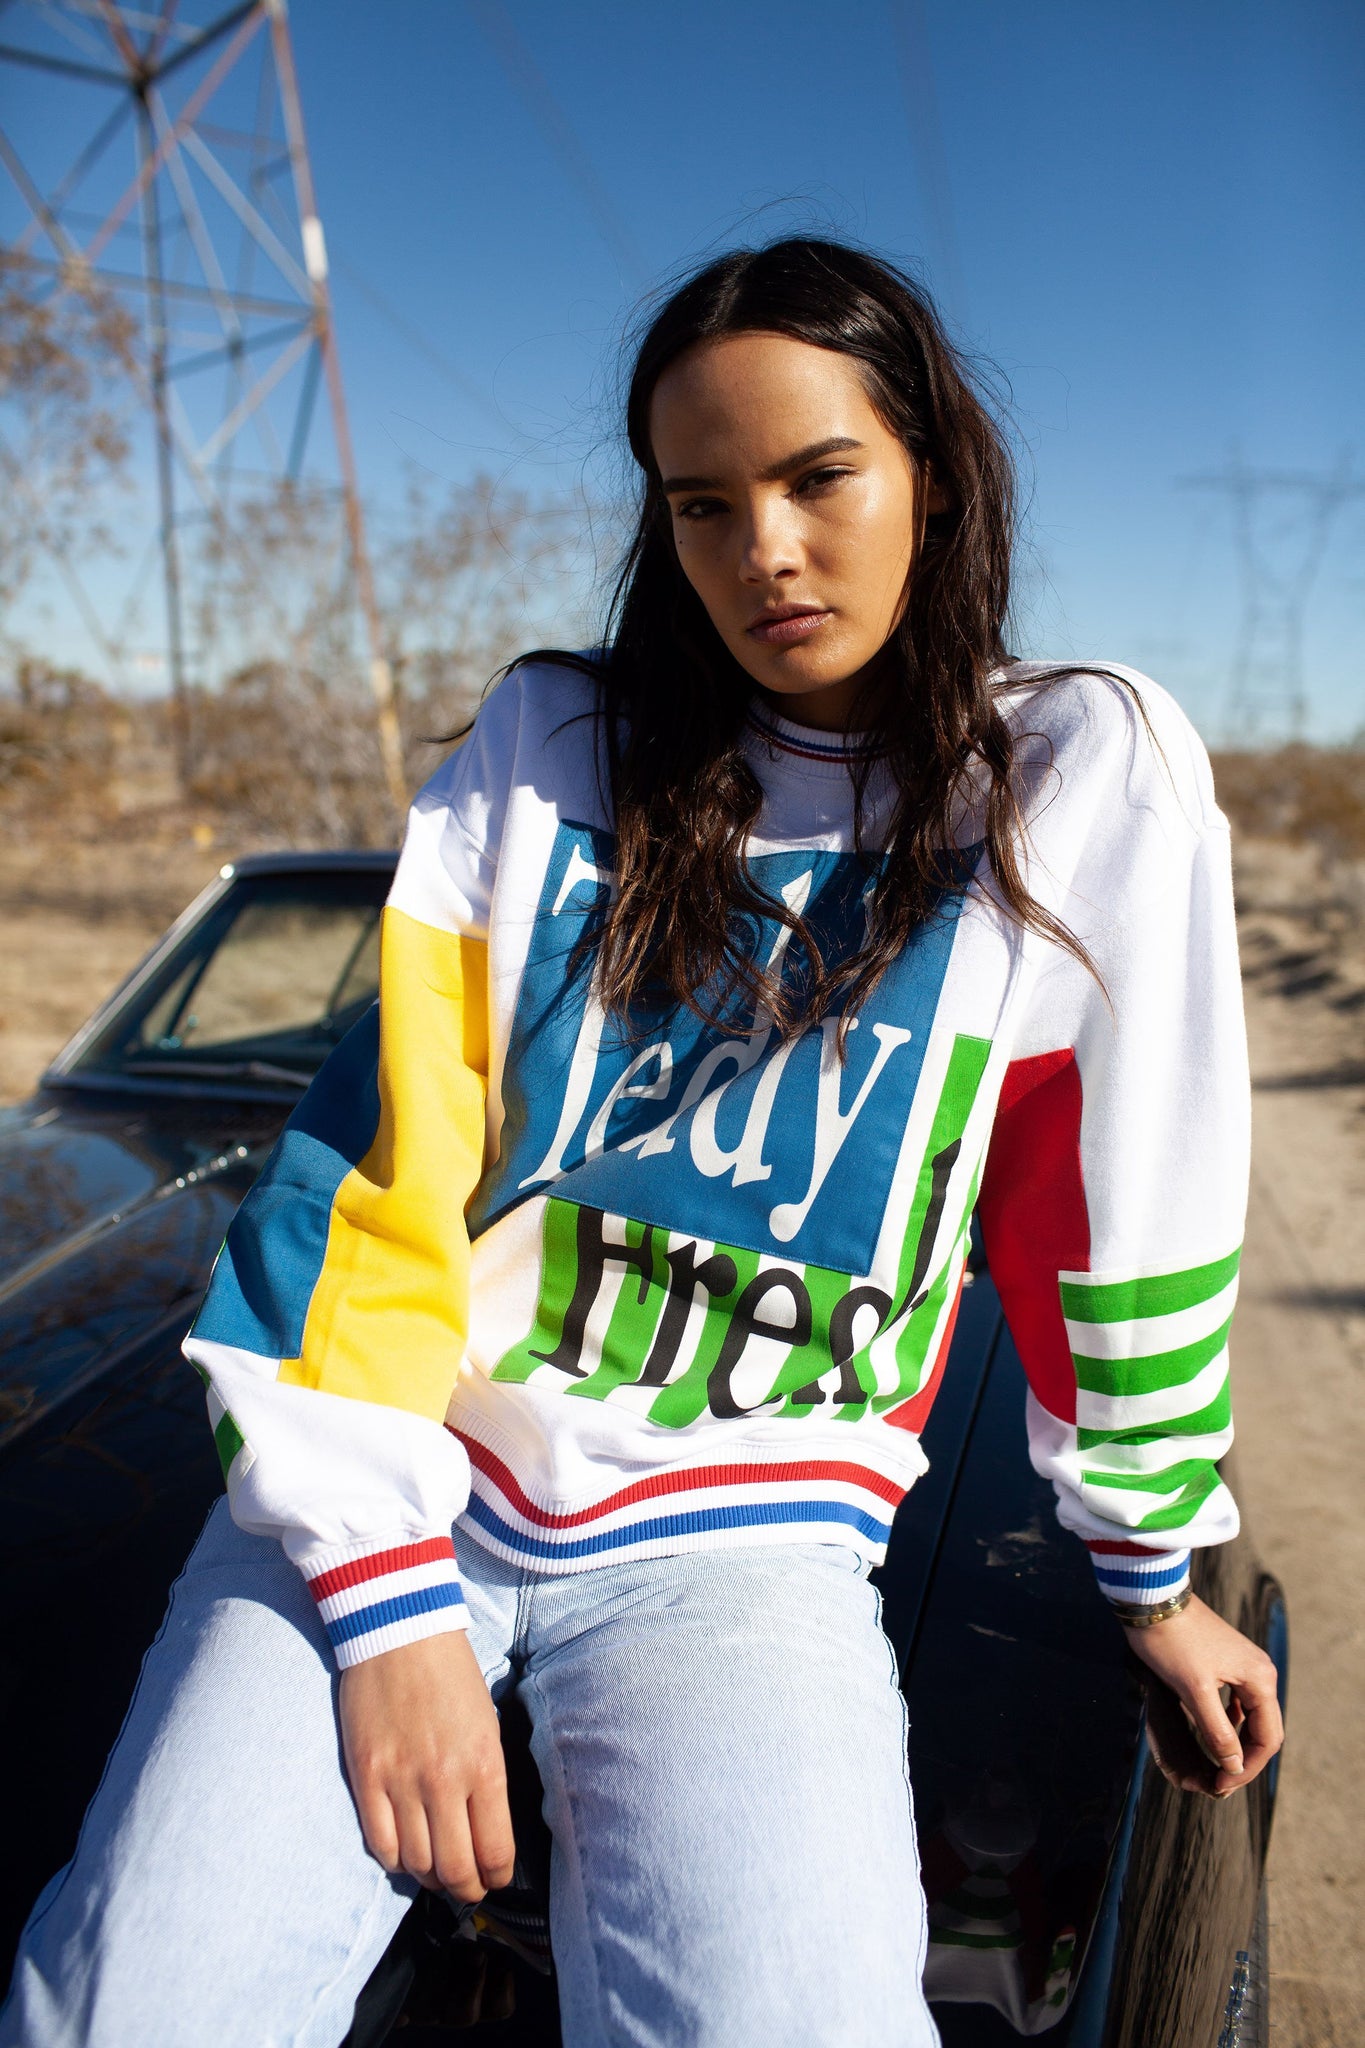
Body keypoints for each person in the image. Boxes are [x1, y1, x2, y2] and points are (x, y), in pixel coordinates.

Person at [2, 237, 1283, 2048]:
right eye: (701, 505)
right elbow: (371, 1177)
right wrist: (385, 1611)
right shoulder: (551, 745)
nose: (763, 550)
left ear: (932, 470)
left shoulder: (1074, 766)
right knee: (132, 2005)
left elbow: (1114, 1198)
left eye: (818, 477)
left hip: (747, 1532)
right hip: (416, 1467)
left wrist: (1146, 1570)